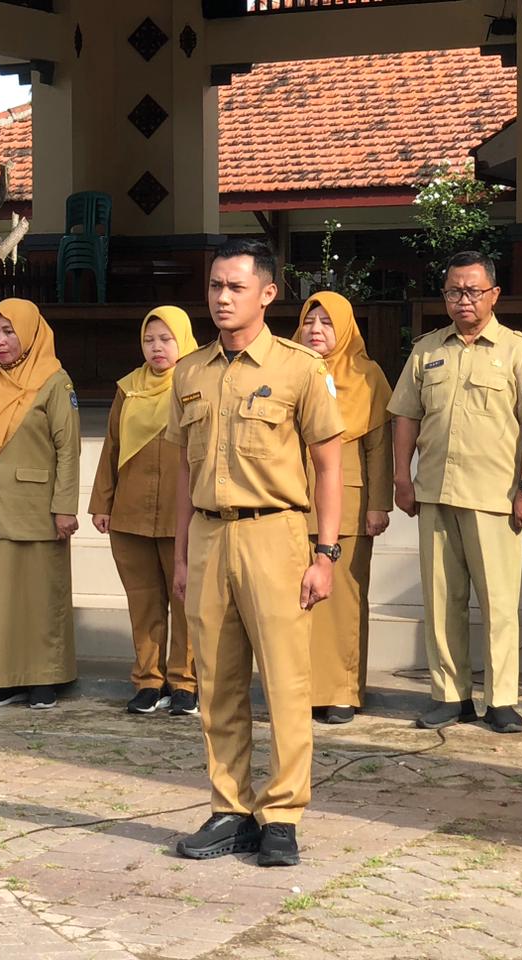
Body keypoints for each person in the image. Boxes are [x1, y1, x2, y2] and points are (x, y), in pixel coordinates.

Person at [168, 238, 343, 868]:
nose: (221, 297)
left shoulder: (299, 369)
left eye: (235, 287)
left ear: (268, 294)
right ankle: (229, 808)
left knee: (287, 683)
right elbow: (187, 476)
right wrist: (184, 556)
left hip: (277, 534)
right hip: (211, 537)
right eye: (215, 285)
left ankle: (282, 815)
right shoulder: (189, 373)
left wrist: (326, 554)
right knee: (216, 682)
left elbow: (328, 465)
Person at [389, 250, 522, 735]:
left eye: (472, 290)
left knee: (497, 603)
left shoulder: (517, 351)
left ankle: (502, 700)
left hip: (495, 498)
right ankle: (450, 695)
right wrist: (402, 478)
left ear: (493, 294)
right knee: (441, 599)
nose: (462, 299)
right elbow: (405, 414)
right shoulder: (427, 349)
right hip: (435, 493)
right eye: (453, 291)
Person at [0, 298, 81, 710]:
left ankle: (45, 678)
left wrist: (66, 506)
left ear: (28, 333)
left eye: (9, 332)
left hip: (38, 507)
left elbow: (68, 449)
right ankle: (3, 678)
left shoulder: (54, 382)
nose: (1, 341)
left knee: (42, 596)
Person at [91, 306, 199, 717]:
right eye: (149, 339)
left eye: (166, 339)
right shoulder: (129, 388)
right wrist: (103, 502)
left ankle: (185, 682)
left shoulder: (195, 383)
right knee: (143, 601)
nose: (157, 347)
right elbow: (112, 447)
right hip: (132, 510)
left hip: (182, 513)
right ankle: (149, 681)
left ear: (183, 341)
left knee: (185, 599)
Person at [293, 291, 393, 725]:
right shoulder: (289, 370)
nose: (316, 330)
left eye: (327, 323)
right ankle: (301, 691)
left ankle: (341, 692)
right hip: (292, 503)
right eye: (309, 321)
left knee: (344, 604)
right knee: (298, 603)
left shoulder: (368, 377)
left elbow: (378, 448)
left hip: (350, 505)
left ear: (348, 328)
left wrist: (378, 505)